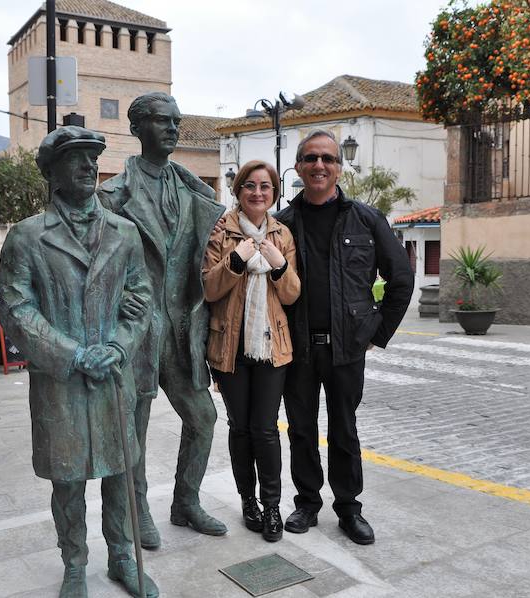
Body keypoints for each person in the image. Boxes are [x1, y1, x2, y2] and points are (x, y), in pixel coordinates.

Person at [0, 126, 157, 598]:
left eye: (93, 158)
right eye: (76, 159)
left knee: (119, 471)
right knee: (67, 478)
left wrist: (120, 346)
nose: (89, 167)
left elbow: (140, 297)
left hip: (112, 375)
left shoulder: (124, 233)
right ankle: (74, 564)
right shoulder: (27, 236)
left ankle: (123, 558)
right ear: (52, 172)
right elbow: (15, 308)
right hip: (60, 381)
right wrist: (73, 353)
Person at [99, 92, 228, 548]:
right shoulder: (112, 197)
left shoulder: (195, 190)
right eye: (161, 121)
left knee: (203, 417)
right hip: (136, 331)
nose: (173, 128)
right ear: (137, 128)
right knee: (132, 427)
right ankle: (136, 513)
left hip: (182, 325)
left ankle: (185, 502)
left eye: (176, 120)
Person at [275, 130, 414, 545]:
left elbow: (401, 279)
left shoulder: (367, 220)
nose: (320, 166)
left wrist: (376, 331)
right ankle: (306, 503)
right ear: (298, 167)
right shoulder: (282, 225)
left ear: (339, 167)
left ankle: (349, 509)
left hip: (346, 349)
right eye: (311, 158)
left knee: (344, 429)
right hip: (297, 347)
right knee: (300, 429)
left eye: (328, 159)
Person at [203, 160, 300, 542]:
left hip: (272, 345)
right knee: (240, 429)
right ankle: (248, 502)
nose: (258, 193)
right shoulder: (221, 231)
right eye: (250, 186)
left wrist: (279, 266)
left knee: (265, 430)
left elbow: (292, 294)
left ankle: (273, 506)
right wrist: (237, 259)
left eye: (265, 186)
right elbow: (209, 289)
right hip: (230, 346)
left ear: (274, 193)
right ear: (238, 190)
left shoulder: (282, 235)